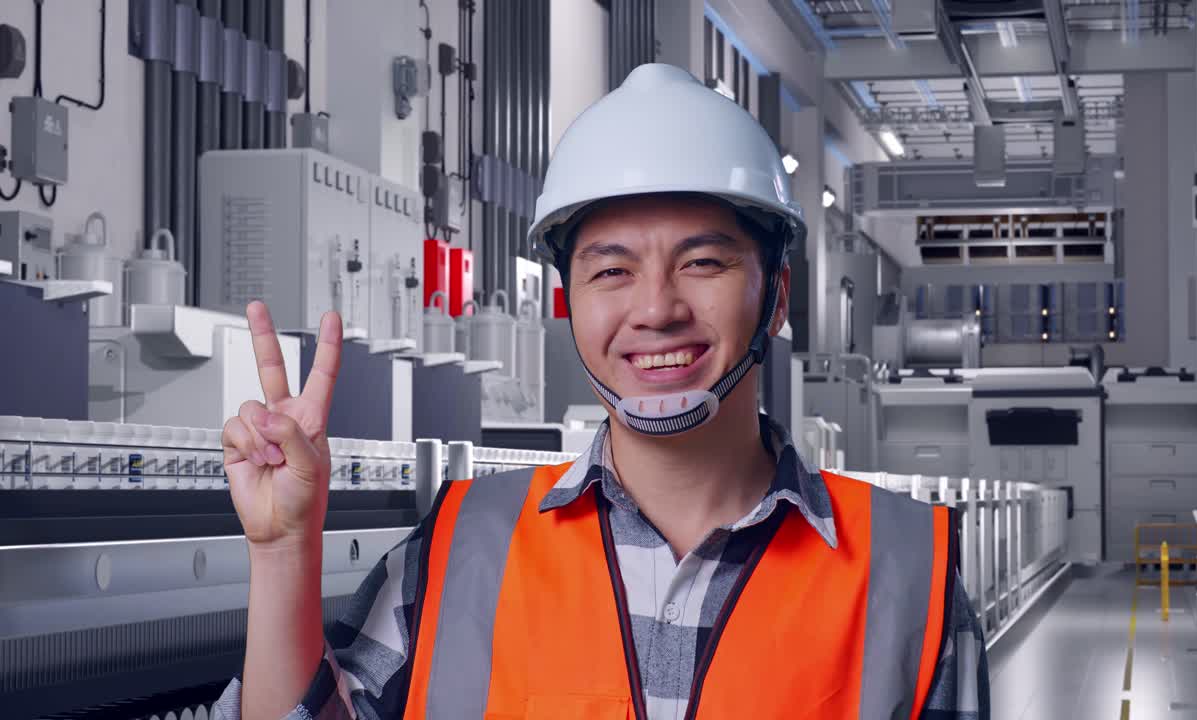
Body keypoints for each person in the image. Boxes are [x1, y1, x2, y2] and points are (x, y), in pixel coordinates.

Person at [213, 63, 989, 720]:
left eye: (704, 263)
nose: (655, 309)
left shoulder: (905, 574)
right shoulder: (455, 554)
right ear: (571, 301)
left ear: (777, 297)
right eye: (612, 271)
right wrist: (284, 553)